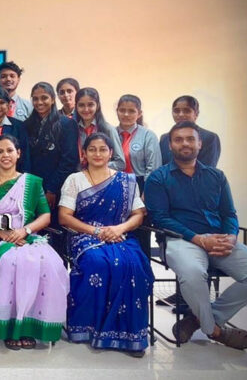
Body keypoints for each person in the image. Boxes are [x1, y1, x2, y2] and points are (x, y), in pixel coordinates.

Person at [145, 121, 247, 350]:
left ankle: (200, 319)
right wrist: (198, 239)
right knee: (193, 273)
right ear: (170, 145)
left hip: (219, 239)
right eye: (178, 139)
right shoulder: (158, 178)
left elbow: (229, 213)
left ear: (200, 143)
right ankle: (215, 331)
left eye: (190, 139)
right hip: (180, 240)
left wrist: (231, 236)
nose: (185, 143)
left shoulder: (216, 176)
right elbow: (160, 218)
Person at [58, 133, 153, 357]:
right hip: (85, 236)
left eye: (103, 149)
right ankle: (90, 328)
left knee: (134, 264)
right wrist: (97, 231)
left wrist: (119, 229)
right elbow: (64, 217)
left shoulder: (126, 180)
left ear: (111, 153)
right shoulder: (75, 179)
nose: (97, 154)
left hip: (120, 235)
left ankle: (132, 334)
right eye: (92, 149)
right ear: (84, 153)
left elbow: (138, 214)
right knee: (97, 263)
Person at [0, 135, 68, 349]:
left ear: (18, 153)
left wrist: (24, 230)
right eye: (0, 151)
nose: (5, 155)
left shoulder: (31, 182)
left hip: (26, 234)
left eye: (9, 150)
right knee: (11, 262)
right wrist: (1, 233)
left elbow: (45, 216)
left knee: (51, 263)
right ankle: (10, 327)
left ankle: (30, 326)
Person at [24, 82, 78, 213]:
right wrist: (28, 185)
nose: (39, 102)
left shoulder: (66, 124)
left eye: (44, 98)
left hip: (56, 188)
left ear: (53, 99)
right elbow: (25, 158)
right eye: (35, 99)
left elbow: (69, 161)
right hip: (31, 186)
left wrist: (52, 189)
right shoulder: (26, 125)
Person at [115, 94, 161, 192]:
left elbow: (153, 168)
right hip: (113, 183)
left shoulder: (148, 136)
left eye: (131, 111)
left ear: (139, 113)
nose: (126, 114)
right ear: (117, 111)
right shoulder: (110, 134)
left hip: (141, 184)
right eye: (122, 110)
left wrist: (147, 191)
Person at [158, 95, 220, 167]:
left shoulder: (209, 138)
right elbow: (163, 165)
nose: (181, 114)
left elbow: (207, 169)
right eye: (176, 111)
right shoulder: (165, 138)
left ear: (196, 114)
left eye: (186, 111)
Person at [0, 88, 30, 176]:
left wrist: (23, 179)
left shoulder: (19, 127)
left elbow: (25, 156)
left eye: (2, 103)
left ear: (8, 105)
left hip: (14, 177)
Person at [74, 87, 125, 171]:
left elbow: (120, 163)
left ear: (97, 106)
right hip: (79, 176)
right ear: (76, 106)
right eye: (81, 105)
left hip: (102, 177)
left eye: (90, 105)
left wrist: (96, 165)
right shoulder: (72, 130)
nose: (86, 109)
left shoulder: (108, 129)